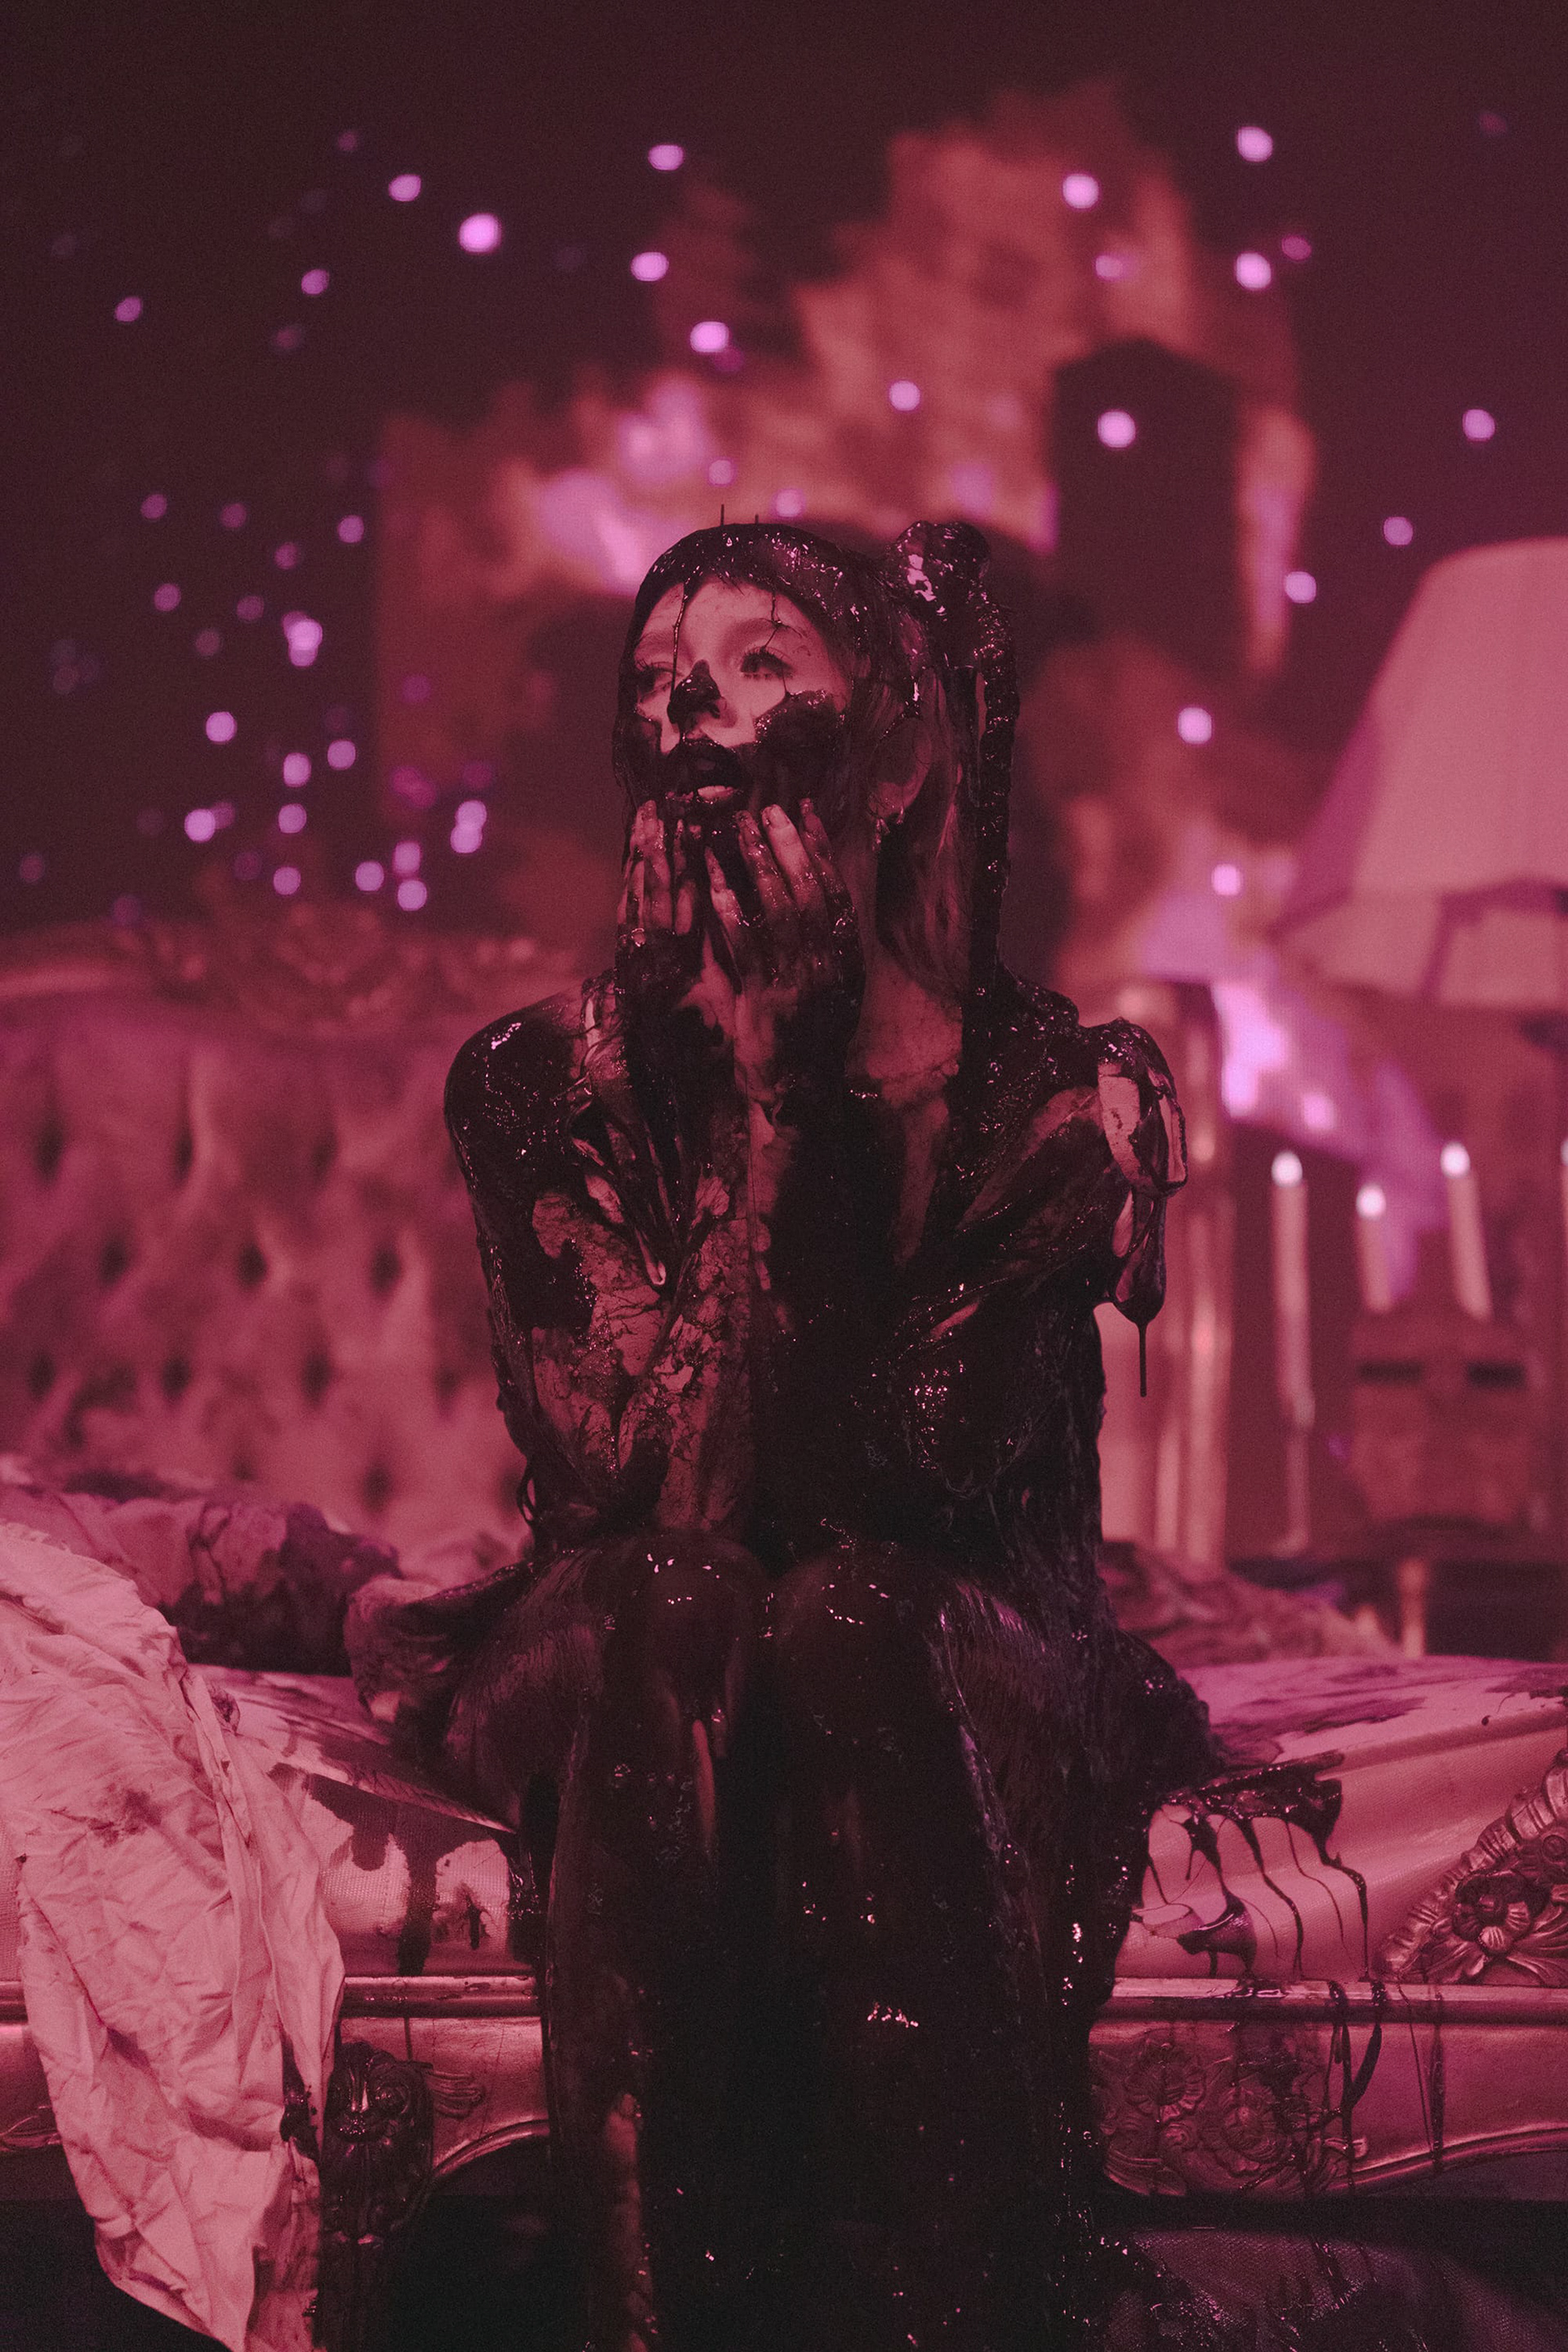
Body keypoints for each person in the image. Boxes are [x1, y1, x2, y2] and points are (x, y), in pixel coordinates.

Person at [379, 520, 1212, 2352]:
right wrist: (752, 1108)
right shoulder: (535, 1083)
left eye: (764, 664)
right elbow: (632, 1493)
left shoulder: (1051, 1100)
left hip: (948, 1618)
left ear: (897, 765)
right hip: (626, 1611)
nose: (697, 705)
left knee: (846, 1615)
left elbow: (895, 1484)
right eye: (662, 677)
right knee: (684, 1596)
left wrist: (798, 1091)